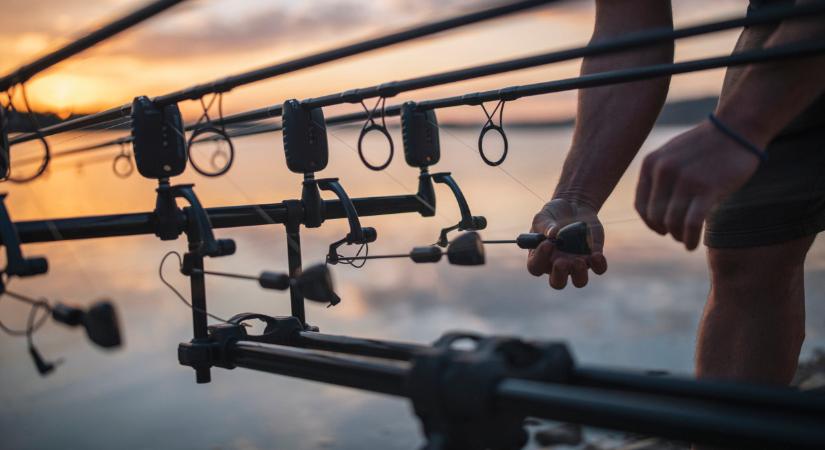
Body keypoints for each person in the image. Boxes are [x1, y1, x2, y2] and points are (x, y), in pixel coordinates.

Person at [526, 0, 825, 392]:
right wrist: (576, 197)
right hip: (784, 21)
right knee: (746, 255)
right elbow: (632, 31)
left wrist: (741, 125)